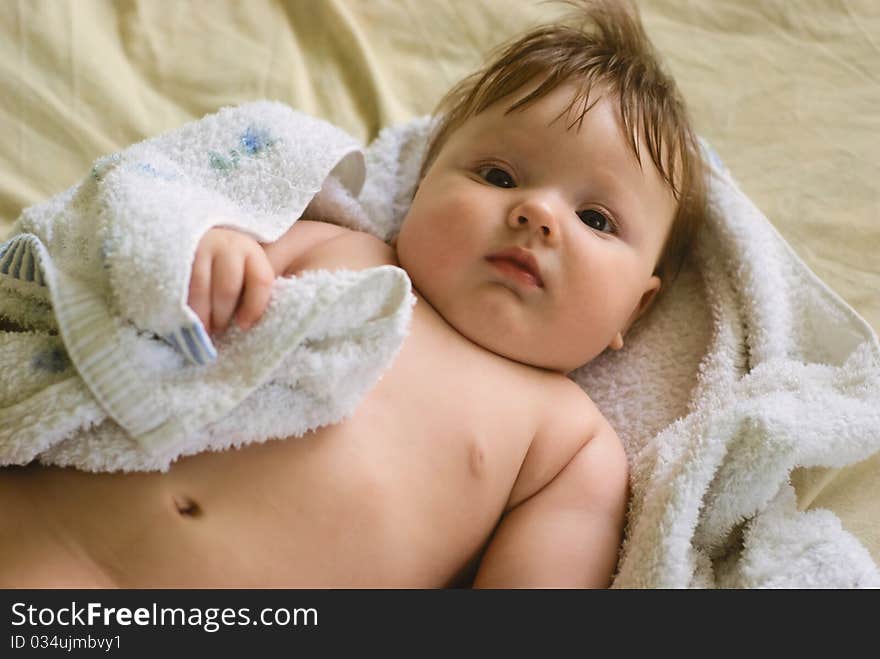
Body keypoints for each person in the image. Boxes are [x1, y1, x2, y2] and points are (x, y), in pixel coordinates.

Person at [0, 0, 705, 588]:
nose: (538, 215)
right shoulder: (342, 249)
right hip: (37, 521)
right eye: (497, 175)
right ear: (423, 187)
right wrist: (208, 245)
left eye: (596, 219)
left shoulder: (568, 442)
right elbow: (154, 260)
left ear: (636, 308)